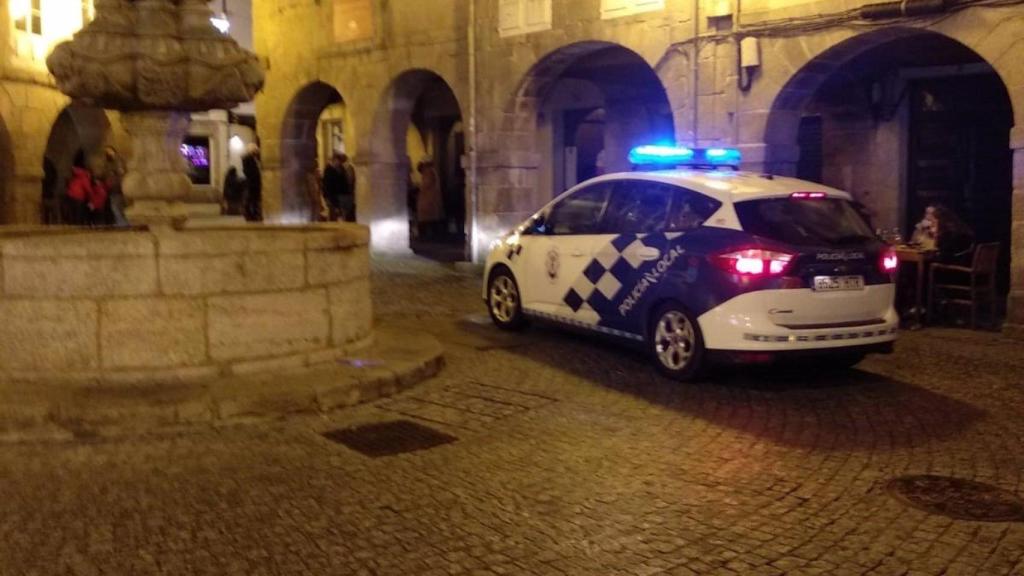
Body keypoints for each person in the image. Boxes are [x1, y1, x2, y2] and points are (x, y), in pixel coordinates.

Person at [95, 146, 128, 226]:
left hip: (117, 187)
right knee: (116, 206)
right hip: (111, 187)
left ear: (114, 151)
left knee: (116, 206)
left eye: (109, 151)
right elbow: (103, 173)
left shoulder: (117, 161)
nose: (107, 153)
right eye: (106, 151)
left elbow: (120, 172)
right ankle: (121, 222)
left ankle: (122, 223)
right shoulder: (108, 163)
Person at [416, 158, 443, 239]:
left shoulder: (428, 172)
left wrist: (419, 187)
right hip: (429, 198)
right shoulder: (431, 171)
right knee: (429, 218)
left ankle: (426, 236)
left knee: (427, 219)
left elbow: (426, 184)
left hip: (429, 199)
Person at [322, 153, 352, 222]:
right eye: (338, 161)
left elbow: (344, 182)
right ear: (334, 160)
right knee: (333, 215)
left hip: (341, 196)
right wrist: (326, 197)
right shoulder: (328, 170)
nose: (339, 163)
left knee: (341, 214)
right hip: (331, 196)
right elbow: (326, 185)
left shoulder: (341, 169)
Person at [242, 143, 262, 221]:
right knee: (252, 199)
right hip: (252, 182)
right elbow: (248, 171)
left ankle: (253, 214)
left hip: (253, 182)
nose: (257, 152)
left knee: (253, 199)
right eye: (255, 150)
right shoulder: (248, 159)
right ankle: (250, 215)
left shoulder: (251, 158)